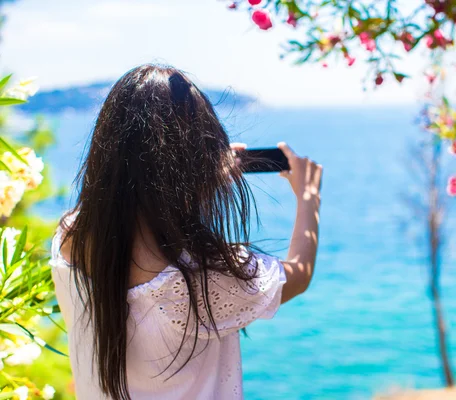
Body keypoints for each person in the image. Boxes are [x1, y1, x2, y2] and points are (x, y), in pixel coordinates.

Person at [50, 64, 323, 400]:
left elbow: (141, 193)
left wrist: (203, 177)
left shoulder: (69, 236)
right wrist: (308, 198)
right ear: (194, 163)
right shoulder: (197, 279)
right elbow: (297, 275)